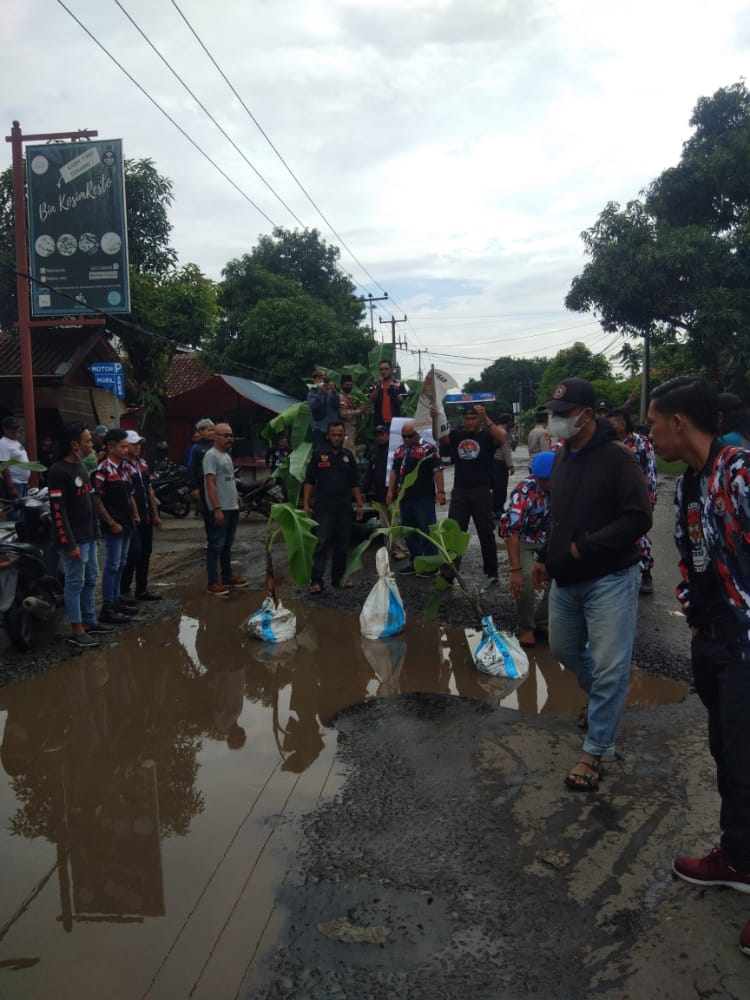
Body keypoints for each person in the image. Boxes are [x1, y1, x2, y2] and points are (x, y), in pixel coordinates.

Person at [647, 376, 750, 960]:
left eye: (654, 423)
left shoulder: (740, 471)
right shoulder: (689, 483)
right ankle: (738, 857)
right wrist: (694, 615)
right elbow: (695, 558)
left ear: (679, 423)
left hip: (745, 644)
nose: (650, 433)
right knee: (731, 760)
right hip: (712, 643)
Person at [531, 377, 652, 791]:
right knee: (564, 649)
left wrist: (586, 548)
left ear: (585, 415)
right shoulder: (563, 457)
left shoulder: (619, 459)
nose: (555, 420)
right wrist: (547, 556)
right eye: (553, 413)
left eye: (562, 415)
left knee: (609, 666)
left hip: (610, 579)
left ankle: (595, 750)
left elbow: (640, 518)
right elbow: (559, 515)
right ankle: (605, 698)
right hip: (566, 580)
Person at [47, 422, 116, 647]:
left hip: (89, 536)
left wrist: (95, 532)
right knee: (75, 582)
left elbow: (88, 502)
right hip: (74, 540)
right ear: (74, 444)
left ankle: (90, 620)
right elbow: (58, 511)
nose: (91, 444)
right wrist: (69, 543)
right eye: (87, 441)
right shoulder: (58, 471)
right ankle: (76, 629)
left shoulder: (81, 468)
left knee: (90, 579)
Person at [436, 403, 507, 590]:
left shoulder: (486, 436)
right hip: (460, 491)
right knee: (454, 535)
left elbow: (502, 438)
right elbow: (442, 438)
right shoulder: (458, 435)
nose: (469, 422)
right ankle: (448, 574)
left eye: (473, 418)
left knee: (486, 534)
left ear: (479, 419)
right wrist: (436, 417)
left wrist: (487, 418)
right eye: (467, 418)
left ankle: (491, 573)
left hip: (482, 491)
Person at [499, 450, 553, 648]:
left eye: (551, 479)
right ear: (535, 475)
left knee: (561, 575)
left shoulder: (563, 487)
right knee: (527, 579)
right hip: (521, 537)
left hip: (547, 538)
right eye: (543, 480)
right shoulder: (523, 492)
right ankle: (526, 627)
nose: (548, 484)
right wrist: (515, 571)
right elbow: (512, 532)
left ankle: (543, 621)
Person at [303, 421, 364, 593]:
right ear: (327, 436)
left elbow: (354, 482)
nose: (337, 438)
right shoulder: (318, 454)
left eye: (340, 435)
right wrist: (306, 503)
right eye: (333, 435)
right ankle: (316, 581)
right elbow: (309, 481)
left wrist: (359, 504)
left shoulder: (348, 456)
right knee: (321, 543)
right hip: (324, 508)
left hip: (344, 508)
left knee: (343, 545)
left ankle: (339, 578)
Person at [607, 406, 658, 595]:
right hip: (613, 500)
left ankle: (646, 573)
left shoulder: (641, 443)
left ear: (623, 424)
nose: (609, 427)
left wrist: (649, 500)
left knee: (640, 537)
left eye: (612, 423)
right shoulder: (605, 443)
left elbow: (650, 472)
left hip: (636, 498)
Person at [92, 428, 140, 625]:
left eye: (126, 446)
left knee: (121, 563)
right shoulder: (102, 470)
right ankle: (107, 607)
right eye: (122, 446)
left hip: (127, 524)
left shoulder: (125, 469)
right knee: (112, 565)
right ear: (111, 447)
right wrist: (111, 523)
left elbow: (130, 495)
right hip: (114, 527)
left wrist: (135, 514)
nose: (126, 450)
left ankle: (116, 600)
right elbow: (96, 499)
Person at [386, 421, 446, 577]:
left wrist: (440, 492)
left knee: (426, 530)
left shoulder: (428, 448)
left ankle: (431, 565)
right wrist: (390, 491)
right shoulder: (399, 450)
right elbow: (394, 471)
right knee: (409, 532)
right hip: (404, 497)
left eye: (409, 436)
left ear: (417, 434)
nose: (406, 439)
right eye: (404, 436)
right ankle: (415, 563)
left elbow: (438, 470)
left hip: (423, 497)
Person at [203, 422, 247, 596]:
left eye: (231, 435)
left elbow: (229, 479)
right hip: (220, 508)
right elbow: (210, 483)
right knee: (216, 545)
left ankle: (227, 576)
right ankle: (213, 582)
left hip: (232, 506)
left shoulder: (226, 455)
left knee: (227, 544)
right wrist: (217, 509)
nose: (229, 438)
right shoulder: (211, 456)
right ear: (215, 436)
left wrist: (236, 498)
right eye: (225, 435)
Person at [120, 430, 162, 602]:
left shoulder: (142, 464)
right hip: (131, 517)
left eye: (138, 443)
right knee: (133, 552)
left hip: (146, 516)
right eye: (133, 444)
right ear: (125, 446)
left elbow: (149, 489)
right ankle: (124, 590)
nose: (137, 447)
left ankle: (142, 589)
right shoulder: (122, 466)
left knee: (146, 552)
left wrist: (155, 514)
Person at [0, 416, 30, 521]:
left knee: (22, 512)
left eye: (16, 427)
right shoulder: (3, 443)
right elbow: (4, 466)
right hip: (14, 483)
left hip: (21, 483)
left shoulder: (16, 442)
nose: (15, 430)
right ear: (5, 429)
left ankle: (21, 535)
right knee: (14, 513)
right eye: (12, 428)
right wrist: (10, 487)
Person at [189, 418, 216, 531]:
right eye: (209, 430)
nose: (212, 432)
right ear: (201, 432)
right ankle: (211, 539)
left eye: (213, 430)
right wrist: (194, 487)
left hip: (219, 484)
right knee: (208, 511)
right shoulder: (196, 448)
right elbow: (192, 468)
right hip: (203, 484)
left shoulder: (217, 445)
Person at [368, 360, 409, 430]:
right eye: (381, 369)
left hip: (395, 422)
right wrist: (378, 386)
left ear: (391, 370)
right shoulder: (374, 384)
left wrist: (393, 393)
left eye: (386, 369)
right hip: (379, 422)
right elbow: (370, 400)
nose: (383, 371)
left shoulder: (398, 384)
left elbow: (400, 402)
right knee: (380, 440)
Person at [307, 371, 341, 449]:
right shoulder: (312, 393)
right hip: (318, 428)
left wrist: (334, 391)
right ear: (314, 381)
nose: (321, 381)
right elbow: (313, 406)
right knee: (319, 451)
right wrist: (320, 393)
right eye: (319, 379)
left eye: (323, 379)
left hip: (332, 429)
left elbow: (337, 405)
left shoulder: (331, 392)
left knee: (333, 450)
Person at [492, 413, 515, 517]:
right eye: (510, 421)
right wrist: (510, 466)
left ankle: (494, 508)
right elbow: (506, 451)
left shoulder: (495, 430)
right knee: (501, 487)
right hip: (500, 463)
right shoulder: (503, 433)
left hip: (493, 463)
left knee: (496, 487)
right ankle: (498, 509)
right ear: (507, 422)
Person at [339, 374, 368, 451]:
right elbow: (344, 414)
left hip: (351, 429)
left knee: (350, 448)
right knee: (347, 450)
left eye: (350, 385)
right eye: (346, 385)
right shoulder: (341, 397)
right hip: (345, 428)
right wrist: (359, 411)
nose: (349, 387)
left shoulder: (349, 397)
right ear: (341, 385)